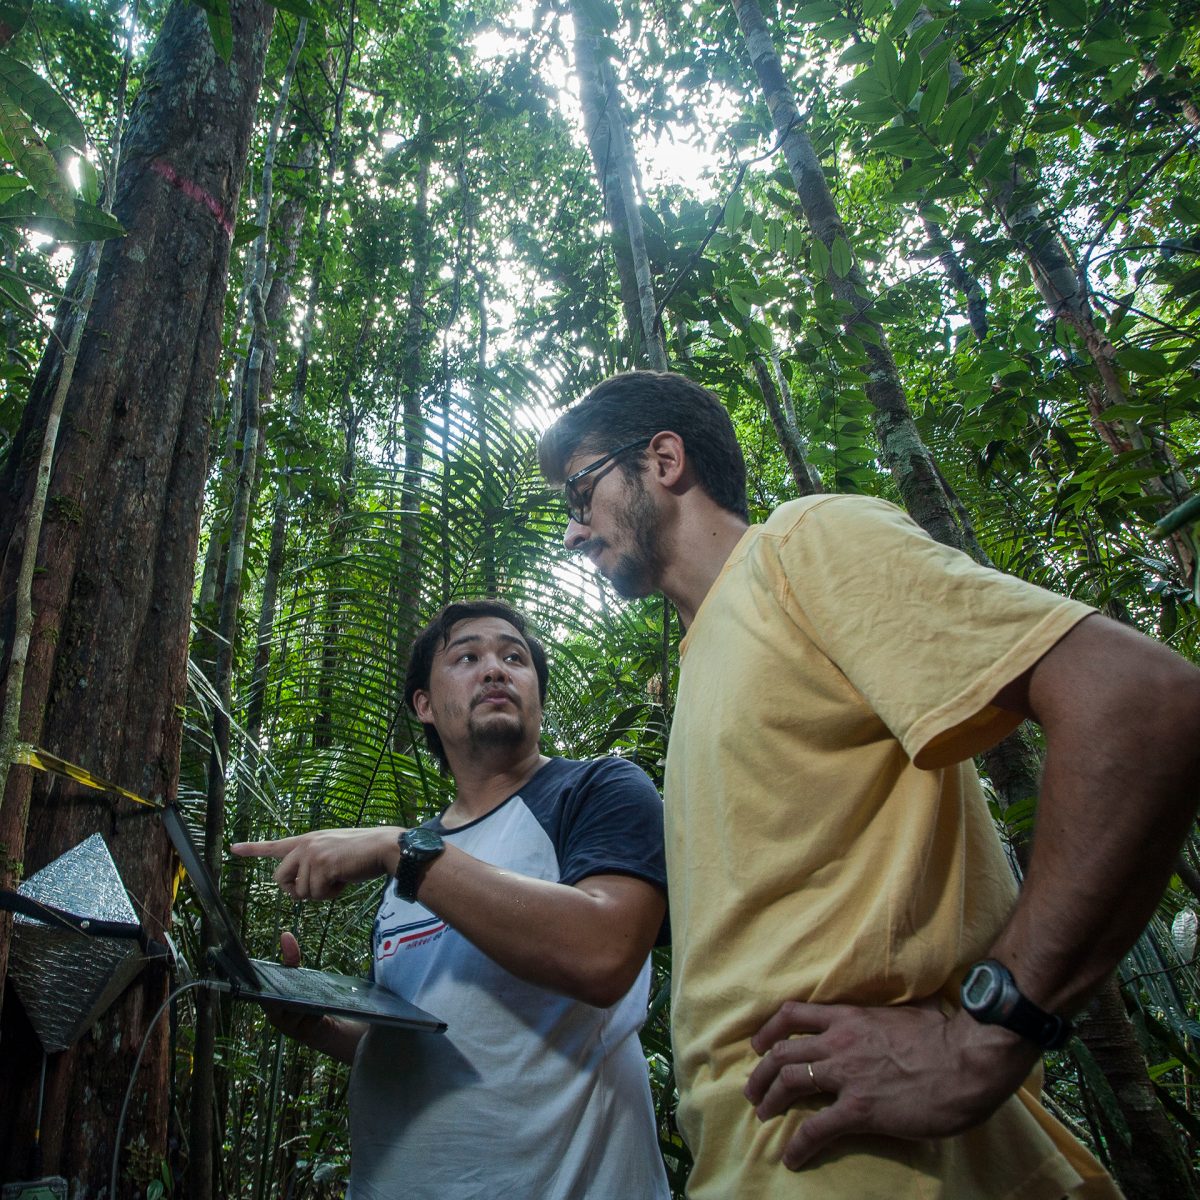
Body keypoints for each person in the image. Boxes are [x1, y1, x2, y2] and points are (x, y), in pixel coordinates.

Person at [538, 369, 1200, 1200]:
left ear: (663, 460)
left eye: (580, 490)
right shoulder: (704, 657)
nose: (573, 531)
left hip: (878, 1161)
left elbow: (1138, 704)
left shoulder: (799, 547)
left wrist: (989, 1034)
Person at [234, 599, 671, 1200]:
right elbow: (429, 1033)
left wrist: (398, 851)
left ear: (537, 691)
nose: (496, 670)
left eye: (514, 658)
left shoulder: (598, 789)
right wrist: (317, 1023)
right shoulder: (419, 861)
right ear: (424, 706)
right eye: (468, 657)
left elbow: (605, 953)